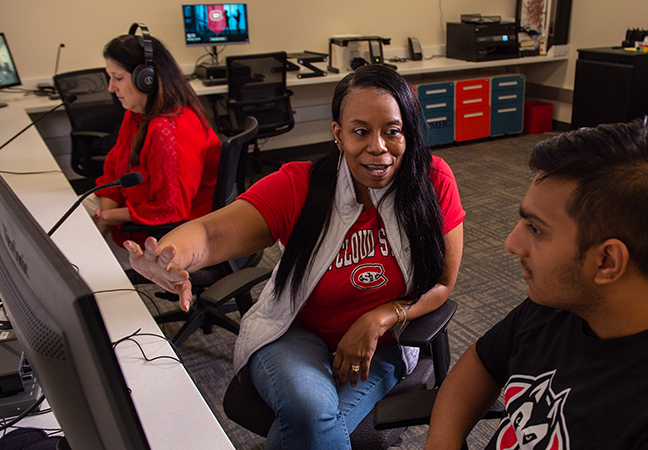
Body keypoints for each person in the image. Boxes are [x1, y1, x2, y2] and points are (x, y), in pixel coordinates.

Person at [125, 64, 465, 449]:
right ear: (338, 134)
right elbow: (211, 232)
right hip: (294, 333)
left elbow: (441, 282)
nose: (378, 147)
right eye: (360, 132)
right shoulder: (300, 185)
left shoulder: (432, 181)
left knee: (304, 430)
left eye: (392, 131)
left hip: (381, 345)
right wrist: (173, 255)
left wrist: (378, 319)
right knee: (308, 409)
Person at [425, 117, 648, 449]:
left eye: (536, 229)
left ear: (607, 262)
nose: (512, 243)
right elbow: (484, 361)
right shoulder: (565, 300)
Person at [88, 27, 221, 269]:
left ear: (146, 78)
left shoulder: (167, 129)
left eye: (117, 78)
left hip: (171, 235)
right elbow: (114, 172)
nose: (111, 87)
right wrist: (105, 213)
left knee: (70, 252)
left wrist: (108, 217)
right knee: (63, 220)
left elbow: (169, 209)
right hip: (136, 215)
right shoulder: (137, 115)